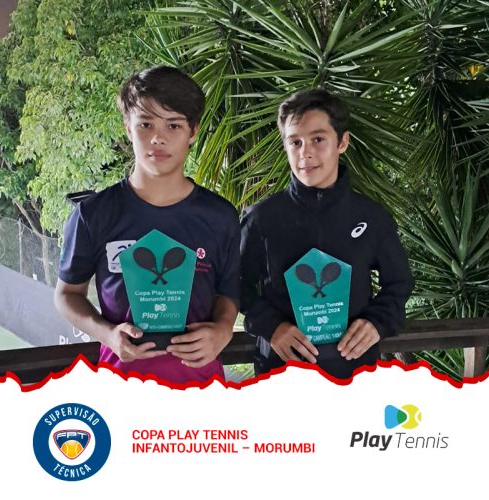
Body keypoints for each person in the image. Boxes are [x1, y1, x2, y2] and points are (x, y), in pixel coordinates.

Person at [55, 66, 240, 384]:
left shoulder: (220, 216)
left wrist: (223, 330)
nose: (158, 137)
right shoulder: (94, 214)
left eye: (173, 125)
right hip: (120, 389)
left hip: (202, 388)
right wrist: (108, 334)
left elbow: (229, 293)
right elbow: (67, 295)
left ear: (193, 132)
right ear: (128, 128)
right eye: (145, 124)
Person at [240, 88, 413, 379]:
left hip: (354, 370)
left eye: (318, 139)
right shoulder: (261, 218)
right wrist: (270, 326)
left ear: (342, 142)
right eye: (295, 142)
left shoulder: (371, 217)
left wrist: (377, 322)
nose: (305, 152)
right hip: (281, 372)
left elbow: (399, 282)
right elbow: (235, 284)